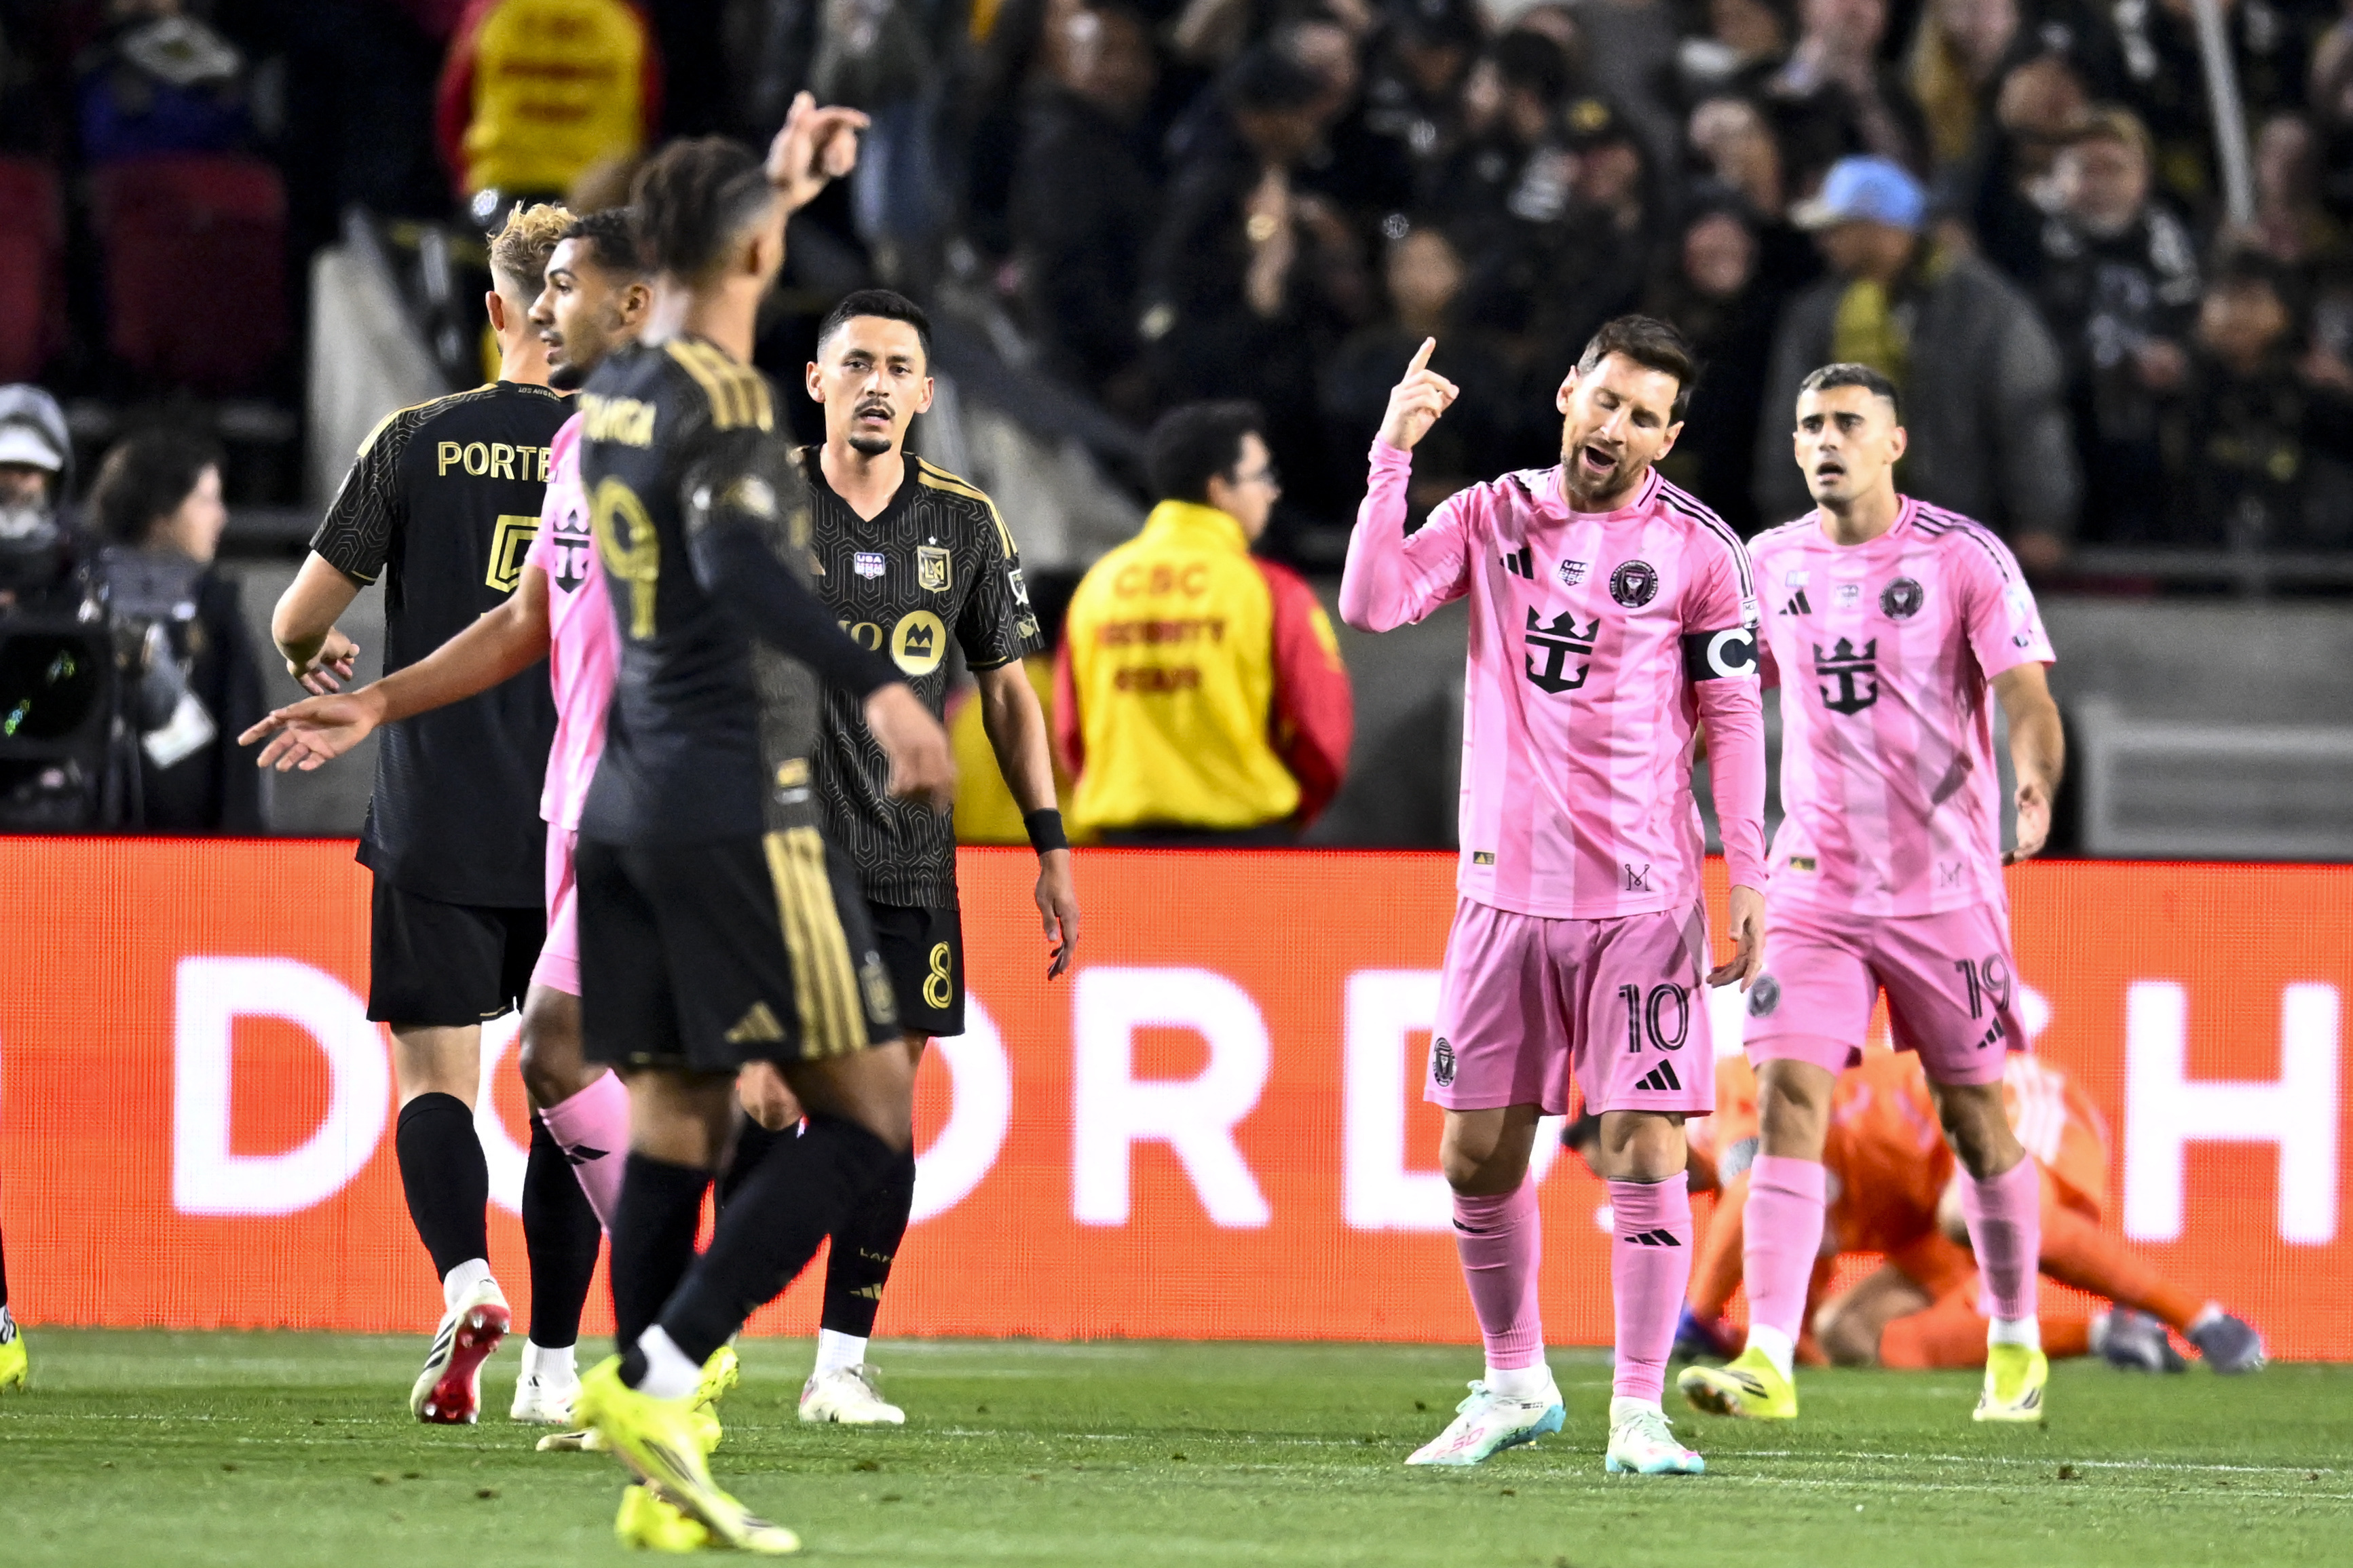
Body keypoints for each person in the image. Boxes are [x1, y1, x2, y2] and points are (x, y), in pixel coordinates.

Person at [561, 117, 956, 1554]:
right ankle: (656, 1375)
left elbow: (718, 232)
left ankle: (660, 1491)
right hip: (740, 802)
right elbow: (734, 559)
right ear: (754, 253)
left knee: (674, 1118)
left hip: (626, 802)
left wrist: (776, 177)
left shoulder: (612, 388)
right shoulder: (726, 400)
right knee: (866, 1118)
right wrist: (884, 689)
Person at [243, 206, 653, 1427]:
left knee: (435, 1079)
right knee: (572, 1097)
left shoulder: (418, 439)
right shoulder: (624, 443)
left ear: (493, 311)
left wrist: (327, 663)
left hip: (438, 806)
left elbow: (295, 616)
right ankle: (554, 1368)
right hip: (581, 812)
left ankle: (469, 1282)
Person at [1341, 318, 1769, 1477]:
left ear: (1668, 437)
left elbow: (1731, 718)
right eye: (1605, 400)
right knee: (1476, 1156)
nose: (1616, 427)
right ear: (1567, 393)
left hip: (1642, 896)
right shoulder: (1487, 513)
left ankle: (1638, 1409)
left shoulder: (1699, 552)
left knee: (1640, 1142)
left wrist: (1751, 873)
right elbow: (1374, 604)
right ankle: (1515, 1380)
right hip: (1499, 893)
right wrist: (1392, 455)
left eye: (1644, 416)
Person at [1679, 362, 2065, 1429]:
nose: (1824, 439)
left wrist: (2030, 780)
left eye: (1848, 421)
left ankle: (2014, 1335)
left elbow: (2025, 691)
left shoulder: (1961, 557)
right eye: (1808, 424)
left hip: (1942, 890)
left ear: (1894, 442)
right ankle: (1765, 1352)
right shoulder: (1761, 564)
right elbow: (1708, 691)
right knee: (1786, 1095)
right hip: (1812, 887)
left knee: (1973, 1119)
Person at [728, 286, 1079, 1426]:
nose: (878, 384)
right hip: (772, 862)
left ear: (926, 394)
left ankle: (839, 1365)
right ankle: (709, 1340)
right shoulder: (755, 503)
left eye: (899, 368)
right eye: (857, 363)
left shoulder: (963, 524)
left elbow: (1010, 699)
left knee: (881, 1117)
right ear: (817, 381)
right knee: (766, 1100)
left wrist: (1047, 845)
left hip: (907, 867)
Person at [1563, 1050, 2268, 1374]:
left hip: (1997, 1106)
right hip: (1928, 1201)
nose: (1631, 1182)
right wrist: (1764, 1343)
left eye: (1619, 1162)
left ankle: (2200, 1317)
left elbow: (1758, 1189)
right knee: (1851, 1336)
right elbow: (1803, 1280)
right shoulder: (1739, 1182)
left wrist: (1694, 1321)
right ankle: (2106, 1334)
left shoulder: (1717, 1103)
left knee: (1974, 1207)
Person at [1754, 155, 2079, 573]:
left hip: (1959, 536)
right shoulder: (1818, 313)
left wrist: (2041, 519)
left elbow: (2027, 414)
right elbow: (1792, 422)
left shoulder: (1984, 309)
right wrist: (1787, 520)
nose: (1824, 242)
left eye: (1838, 228)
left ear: (1878, 227)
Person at [1056, 401, 1354, 845]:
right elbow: (1321, 729)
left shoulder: (1098, 586)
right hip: (1245, 843)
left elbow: (1071, 730)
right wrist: (1290, 812)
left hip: (1121, 847)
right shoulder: (1270, 590)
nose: (1271, 493)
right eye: (1261, 477)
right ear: (1219, 488)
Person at [2027, 106, 2200, 544]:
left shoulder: (2182, 249)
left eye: (2115, 168)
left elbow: (2200, 332)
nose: (2100, 182)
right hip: (2063, 436)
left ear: (2142, 179)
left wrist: (2182, 360)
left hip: (2158, 451)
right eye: (2085, 169)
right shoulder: (2026, 247)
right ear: (2057, 179)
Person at [85, 429, 265, 832]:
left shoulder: (218, 611)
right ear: (160, 511)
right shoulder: (80, 599)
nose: (221, 516)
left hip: (191, 856)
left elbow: (241, 750)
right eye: (205, 500)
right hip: (83, 849)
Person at [434, 0, 661, 213]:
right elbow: (648, 109)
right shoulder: (623, 16)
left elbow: (453, 107)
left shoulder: (492, 11)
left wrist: (464, 183)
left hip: (502, 188)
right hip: (597, 193)